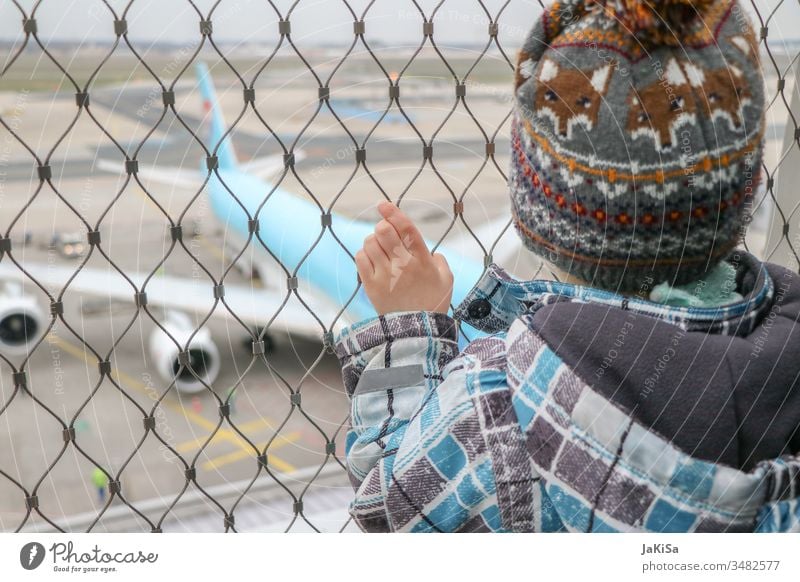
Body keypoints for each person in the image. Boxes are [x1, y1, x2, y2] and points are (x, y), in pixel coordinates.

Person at [333, 0, 800, 532]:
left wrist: (407, 333)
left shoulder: (495, 410)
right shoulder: (784, 348)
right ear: (746, 186)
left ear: (543, 211)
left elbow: (386, 506)